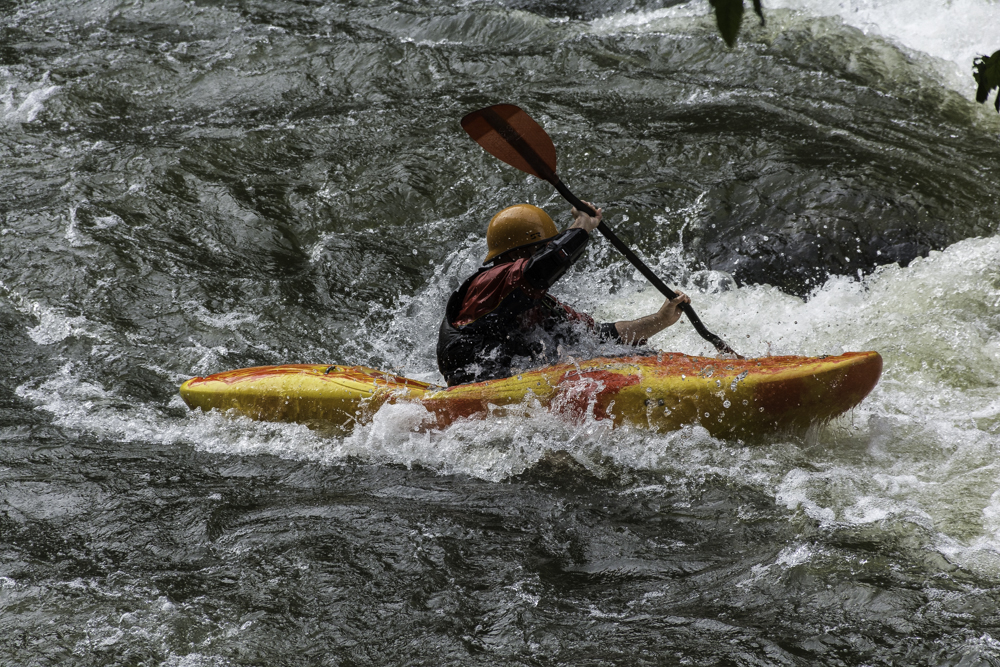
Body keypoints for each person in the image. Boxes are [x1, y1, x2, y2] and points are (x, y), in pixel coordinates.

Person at [436, 203, 691, 386]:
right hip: (470, 385)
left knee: (633, 355)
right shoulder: (490, 282)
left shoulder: (539, 304)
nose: (549, 250)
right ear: (516, 253)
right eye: (543, 247)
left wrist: (660, 320)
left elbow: (598, 337)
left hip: (505, 386)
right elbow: (545, 265)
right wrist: (582, 226)